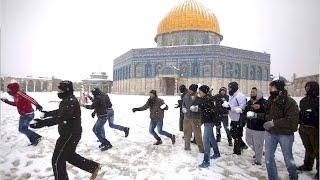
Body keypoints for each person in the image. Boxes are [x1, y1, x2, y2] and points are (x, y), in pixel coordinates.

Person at [29, 80, 101, 180]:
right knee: (69, 156)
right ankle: (92, 167)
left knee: (57, 161)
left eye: (60, 90)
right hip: (70, 133)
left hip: (69, 134)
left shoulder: (70, 101)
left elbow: (61, 118)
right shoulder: (68, 99)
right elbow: (61, 112)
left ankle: (92, 167)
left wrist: (41, 123)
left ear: (65, 90)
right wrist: (47, 114)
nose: (58, 92)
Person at [262, 80, 299, 180]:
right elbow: (268, 115)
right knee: (268, 158)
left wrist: (273, 123)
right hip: (271, 133)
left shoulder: (289, 102)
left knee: (288, 159)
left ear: (279, 88)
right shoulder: (271, 100)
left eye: (272, 88)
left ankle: (294, 177)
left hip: (285, 135)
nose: (270, 89)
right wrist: (257, 115)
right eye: (270, 87)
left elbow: (292, 121)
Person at [297, 81, 319, 179]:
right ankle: (307, 165)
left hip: (314, 129)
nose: (306, 88)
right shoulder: (303, 101)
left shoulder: (318, 101)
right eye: (306, 86)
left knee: (317, 150)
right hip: (303, 128)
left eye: (308, 86)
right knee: (308, 148)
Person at [197, 85, 220, 168]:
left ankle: (206, 161)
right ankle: (216, 152)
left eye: (200, 91)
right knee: (211, 137)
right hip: (208, 121)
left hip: (210, 122)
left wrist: (217, 123)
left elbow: (213, 112)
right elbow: (203, 109)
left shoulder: (208, 99)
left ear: (204, 92)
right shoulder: (204, 99)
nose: (198, 92)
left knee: (206, 140)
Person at [223, 82, 247, 155]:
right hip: (233, 118)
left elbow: (242, 108)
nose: (229, 89)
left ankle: (237, 152)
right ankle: (242, 145)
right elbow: (232, 105)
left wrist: (230, 108)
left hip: (239, 119)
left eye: (230, 87)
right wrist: (227, 105)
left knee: (237, 135)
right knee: (233, 134)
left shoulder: (240, 96)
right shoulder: (232, 95)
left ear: (234, 88)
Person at [244, 87, 267, 165]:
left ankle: (258, 161)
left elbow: (267, 115)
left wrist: (260, 108)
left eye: (253, 92)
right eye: (251, 92)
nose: (251, 93)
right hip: (249, 126)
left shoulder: (264, 102)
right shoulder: (250, 102)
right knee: (248, 141)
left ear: (258, 93)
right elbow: (246, 111)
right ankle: (259, 152)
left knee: (258, 144)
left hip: (259, 127)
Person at [181, 84, 204, 152]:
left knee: (197, 134)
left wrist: (197, 109)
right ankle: (187, 147)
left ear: (195, 91)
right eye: (189, 89)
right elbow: (183, 104)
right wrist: (183, 108)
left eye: (191, 90)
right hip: (187, 117)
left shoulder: (199, 97)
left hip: (196, 118)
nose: (189, 91)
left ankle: (201, 148)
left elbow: (202, 107)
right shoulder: (186, 96)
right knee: (186, 133)